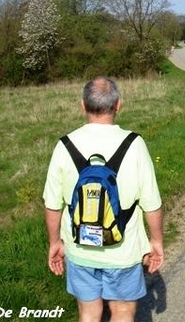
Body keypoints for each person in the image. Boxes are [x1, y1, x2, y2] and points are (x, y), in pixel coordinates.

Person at [43, 77, 164, 322]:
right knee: (122, 311)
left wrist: (55, 242)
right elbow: (152, 203)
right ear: (118, 105)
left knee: (88, 313)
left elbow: (52, 204)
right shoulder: (135, 144)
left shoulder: (64, 145)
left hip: (79, 249)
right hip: (123, 250)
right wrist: (156, 241)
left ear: (82, 105)